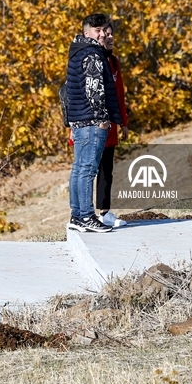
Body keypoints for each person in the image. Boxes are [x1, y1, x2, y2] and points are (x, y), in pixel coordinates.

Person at [66, 13, 123, 233]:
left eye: (103, 30)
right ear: (86, 32)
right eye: (96, 30)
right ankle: (86, 216)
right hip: (91, 121)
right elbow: (94, 90)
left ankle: (76, 215)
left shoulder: (78, 51)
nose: (101, 34)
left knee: (79, 169)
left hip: (79, 119)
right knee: (87, 170)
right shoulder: (92, 55)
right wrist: (102, 119)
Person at [97, 23, 129, 228]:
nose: (109, 37)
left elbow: (119, 94)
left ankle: (104, 213)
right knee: (86, 170)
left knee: (106, 170)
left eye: (111, 34)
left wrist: (123, 122)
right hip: (91, 127)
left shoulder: (114, 62)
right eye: (104, 34)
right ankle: (81, 214)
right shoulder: (92, 60)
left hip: (109, 127)